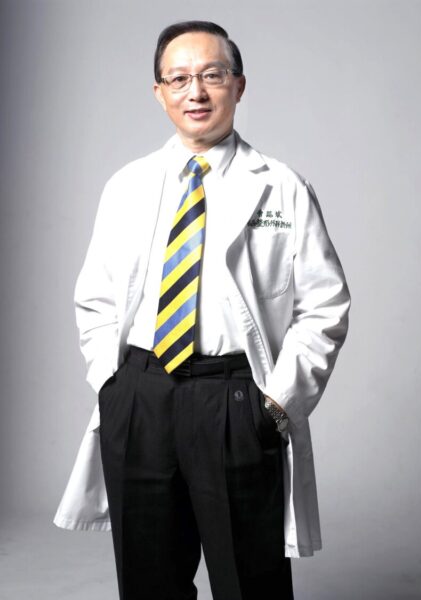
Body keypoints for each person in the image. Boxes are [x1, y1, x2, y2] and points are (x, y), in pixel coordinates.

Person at [53, 20, 350, 600]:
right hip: (141, 397)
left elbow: (325, 306)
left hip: (235, 401)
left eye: (212, 75)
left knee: (251, 582)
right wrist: (113, 386)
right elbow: (95, 296)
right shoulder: (127, 186)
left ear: (239, 85)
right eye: (179, 78)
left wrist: (275, 403)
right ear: (159, 92)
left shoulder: (283, 187)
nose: (196, 92)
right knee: (149, 582)